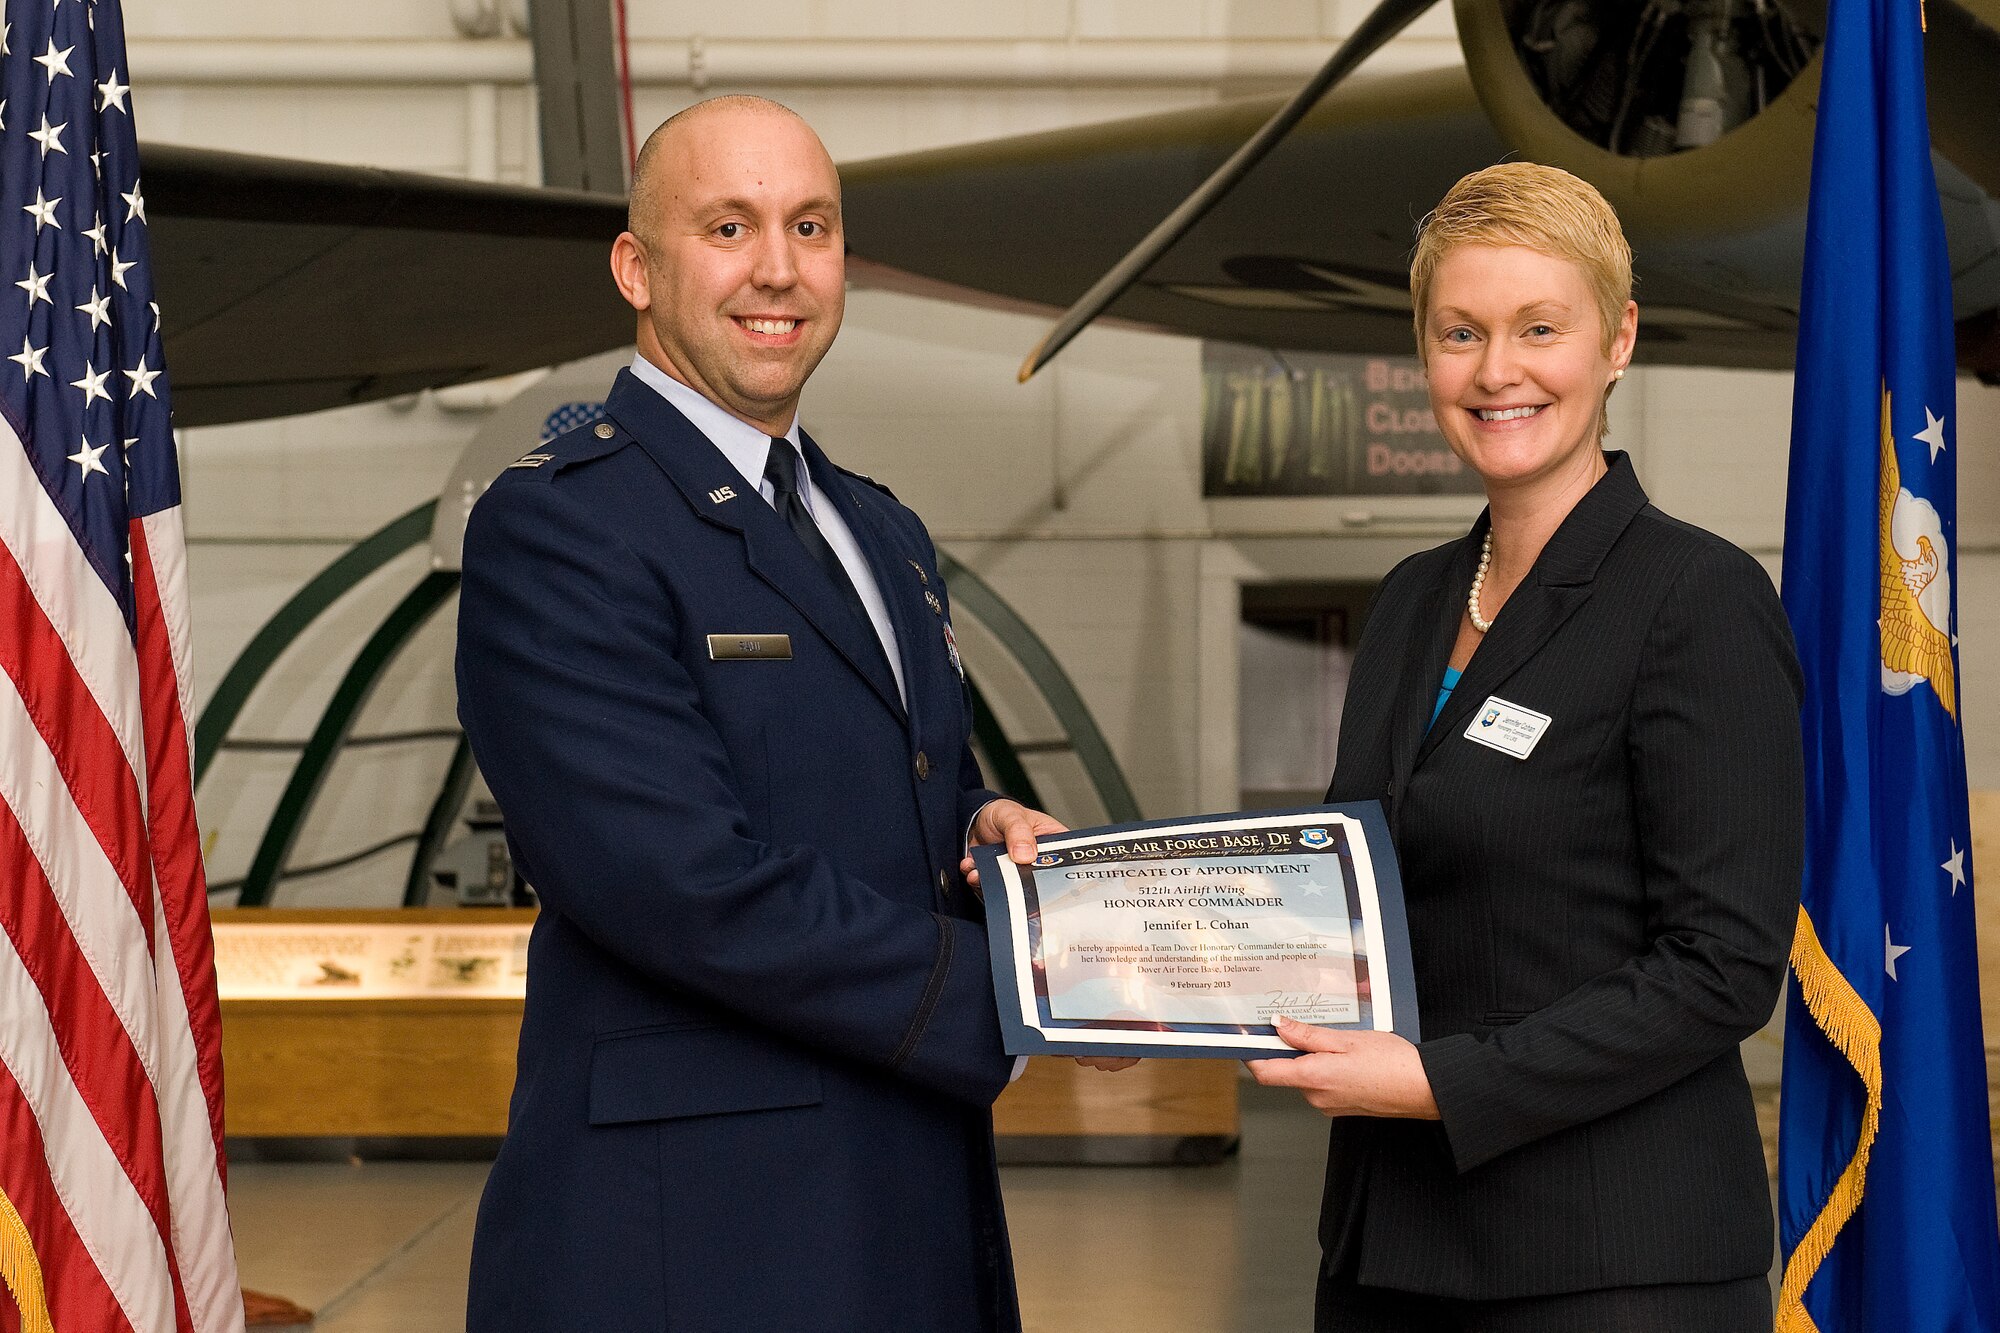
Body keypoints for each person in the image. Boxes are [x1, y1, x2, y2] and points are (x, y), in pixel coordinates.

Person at [455, 95, 1064, 1333]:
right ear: (636, 266)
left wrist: (977, 816)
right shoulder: (561, 525)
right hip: (694, 1237)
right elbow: (674, 877)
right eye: (727, 227)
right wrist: (1021, 987)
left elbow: (880, 781)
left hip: (906, 1203)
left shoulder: (876, 528)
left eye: (810, 226)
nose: (778, 269)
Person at [1249, 162, 1804, 1331]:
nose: (1495, 371)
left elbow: (1723, 966)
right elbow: (1350, 895)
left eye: (1537, 327)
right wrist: (1120, 992)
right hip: (1385, 1248)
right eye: (1460, 332)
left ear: (1617, 340)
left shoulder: (1693, 596)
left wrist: (1440, 1082)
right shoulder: (1408, 598)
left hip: (1607, 1265)